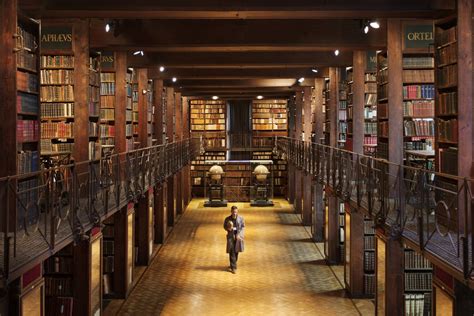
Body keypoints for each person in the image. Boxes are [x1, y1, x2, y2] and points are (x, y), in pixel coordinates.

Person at [223, 205, 245, 274]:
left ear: (237, 211)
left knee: (236, 251)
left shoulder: (241, 218)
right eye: (233, 212)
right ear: (231, 212)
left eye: (236, 212)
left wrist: (239, 235)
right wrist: (228, 229)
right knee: (231, 250)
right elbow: (224, 226)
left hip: (238, 237)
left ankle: (233, 263)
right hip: (230, 237)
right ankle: (233, 267)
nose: (234, 213)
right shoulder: (227, 219)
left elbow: (243, 227)